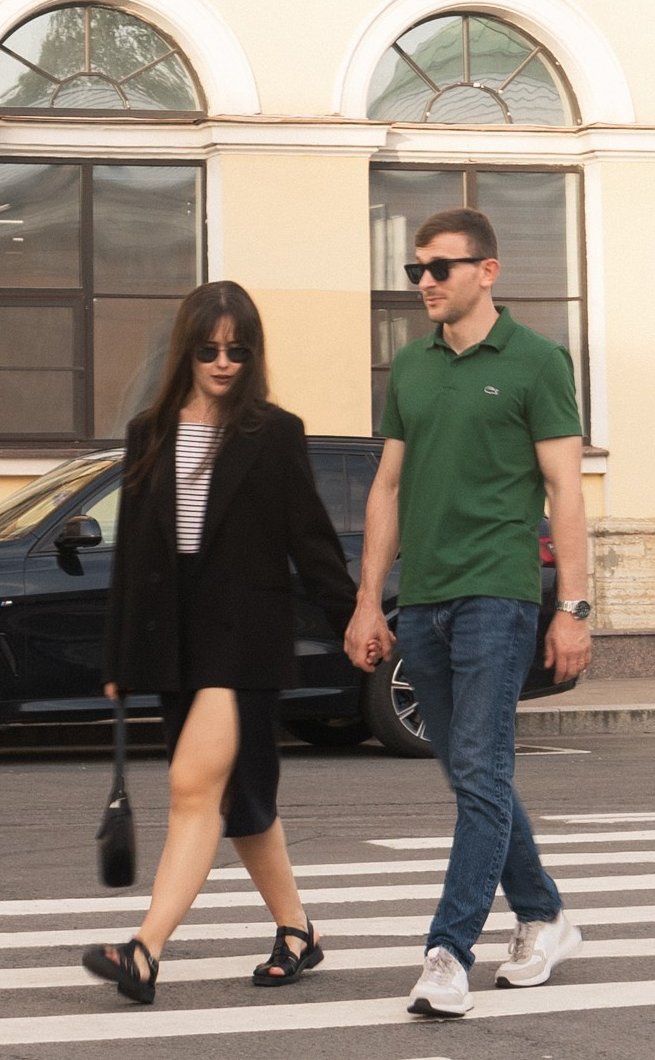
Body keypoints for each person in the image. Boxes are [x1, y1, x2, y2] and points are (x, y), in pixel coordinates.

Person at [345, 206, 593, 1018]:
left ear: (487, 271)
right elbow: (386, 489)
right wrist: (368, 602)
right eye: (417, 269)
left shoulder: (536, 362)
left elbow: (565, 492)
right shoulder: (410, 368)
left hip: (499, 593)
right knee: (469, 773)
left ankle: (447, 953)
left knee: (481, 771)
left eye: (440, 268)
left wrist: (574, 608)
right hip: (424, 599)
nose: (424, 283)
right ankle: (545, 915)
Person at [84, 280, 357, 1005]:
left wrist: (354, 620)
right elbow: (135, 553)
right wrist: (119, 658)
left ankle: (145, 949)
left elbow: (312, 541)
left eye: (238, 350)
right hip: (176, 641)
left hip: (243, 640)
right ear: (187, 351)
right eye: (209, 349)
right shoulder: (152, 432)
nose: (224, 362)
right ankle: (298, 932)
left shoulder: (275, 433)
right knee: (244, 803)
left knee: (192, 790)